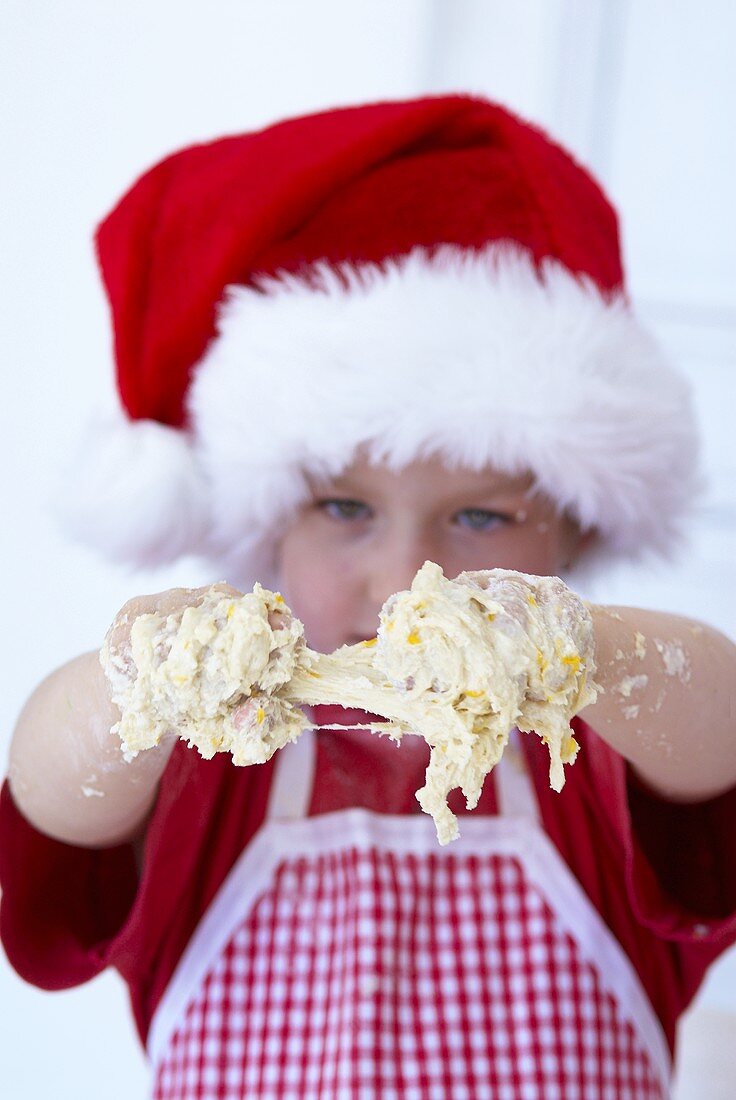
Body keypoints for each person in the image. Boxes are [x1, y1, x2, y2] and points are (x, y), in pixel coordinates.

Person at [2, 94, 735, 1100]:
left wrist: (581, 650)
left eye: (480, 517)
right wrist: (139, 679)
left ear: (575, 529)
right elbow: (51, 794)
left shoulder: (601, 765)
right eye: (345, 506)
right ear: (267, 528)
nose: (406, 584)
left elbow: (723, 720)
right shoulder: (208, 772)